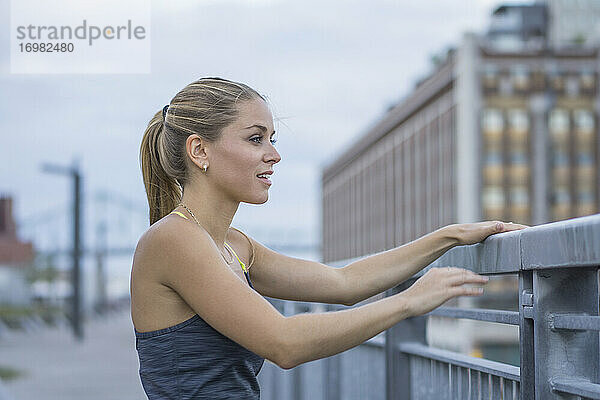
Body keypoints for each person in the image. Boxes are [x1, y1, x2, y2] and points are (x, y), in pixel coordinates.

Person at [131, 76, 527, 399]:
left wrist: (448, 236)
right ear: (200, 150)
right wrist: (408, 302)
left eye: (272, 139)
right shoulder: (172, 241)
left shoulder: (235, 245)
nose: (274, 154)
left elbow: (345, 283)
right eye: (256, 138)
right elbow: (284, 343)